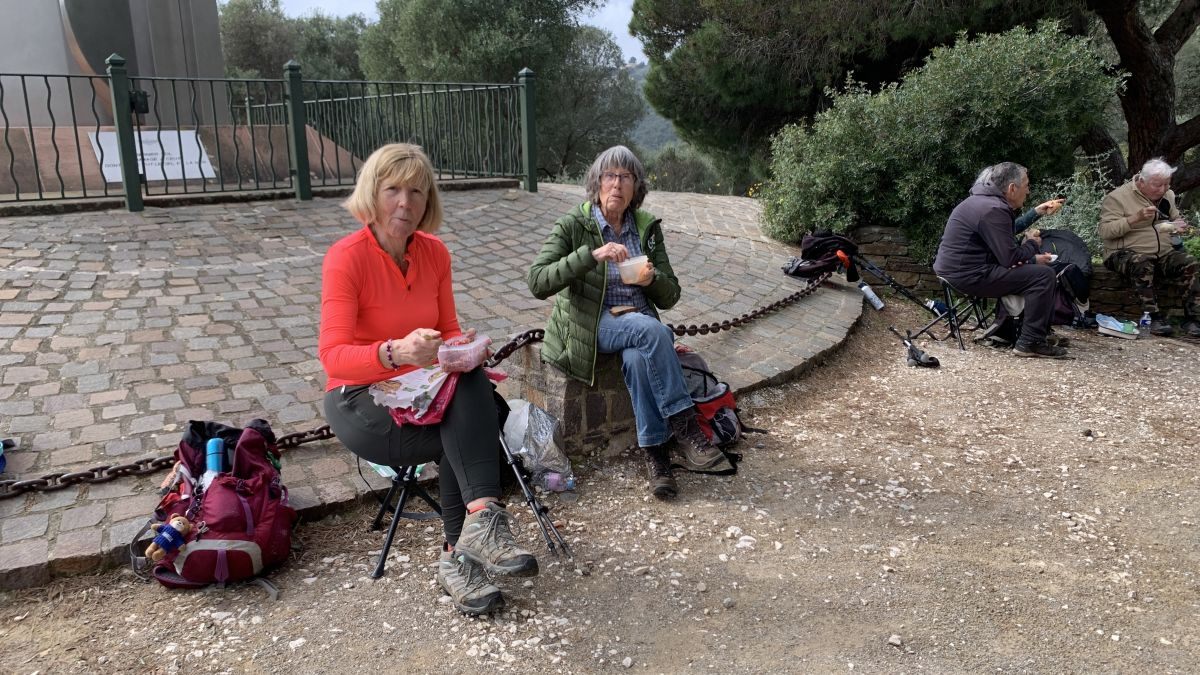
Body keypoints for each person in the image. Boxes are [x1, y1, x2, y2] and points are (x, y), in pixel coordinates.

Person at [318, 143, 537, 616]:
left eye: (416, 191)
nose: (405, 202)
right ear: (372, 194)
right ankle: (464, 551)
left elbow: (448, 327)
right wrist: (395, 351)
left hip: (424, 390)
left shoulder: (435, 253)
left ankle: (474, 533)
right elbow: (332, 356)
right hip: (360, 400)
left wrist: (461, 345)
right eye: (393, 189)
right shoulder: (346, 258)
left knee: (474, 383)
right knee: (464, 427)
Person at [527, 145, 725, 500]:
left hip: (637, 320)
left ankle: (656, 457)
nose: (617, 184)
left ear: (636, 187)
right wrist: (591, 255)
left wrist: (650, 280)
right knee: (655, 331)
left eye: (626, 177)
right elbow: (538, 280)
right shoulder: (574, 224)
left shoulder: (645, 228)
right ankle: (687, 428)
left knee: (637, 357)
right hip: (594, 321)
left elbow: (671, 294)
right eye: (609, 176)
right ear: (596, 183)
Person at [933, 162, 1068, 358]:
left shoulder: (980, 201)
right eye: (1026, 186)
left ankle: (1013, 330)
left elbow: (1004, 237)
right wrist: (1032, 244)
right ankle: (1030, 342)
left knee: (1034, 271)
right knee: (1044, 275)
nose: (1028, 191)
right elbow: (1009, 258)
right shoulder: (994, 209)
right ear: (1012, 189)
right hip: (969, 276)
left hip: (955, 271)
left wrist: (1036, 213)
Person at [1098, 158, 1198, 337]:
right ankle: (1153, 318)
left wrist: (1179, 225)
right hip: (1123, 253)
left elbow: (1174, 218)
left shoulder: (1168, 195)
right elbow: (1106, 232)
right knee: (1142, 262)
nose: (1163, 190)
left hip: (1162, 252)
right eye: (1157, 185)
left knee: (1189, 262)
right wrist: (1133, 219)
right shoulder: (1117, 197)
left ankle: (1193, 319)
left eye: (1167, 184)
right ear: (1142, 182)